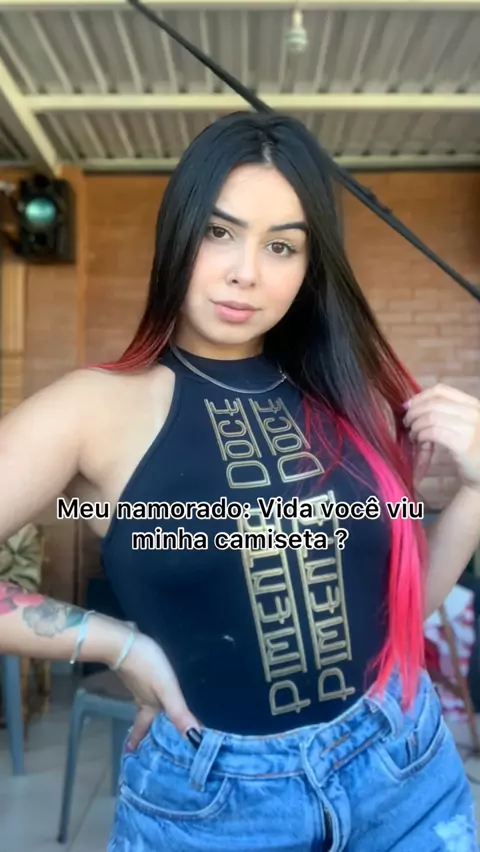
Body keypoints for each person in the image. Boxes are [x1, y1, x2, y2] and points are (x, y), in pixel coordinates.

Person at [1, 111, 480, 851]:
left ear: (309, 265)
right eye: (219, 232)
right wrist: (118, 645)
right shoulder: (95, 409)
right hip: (215, 805)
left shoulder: (342, 397)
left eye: (281, 245)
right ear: (177, 234)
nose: (245, 272)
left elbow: (399, 605)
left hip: (403, 765)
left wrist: (477, 489)